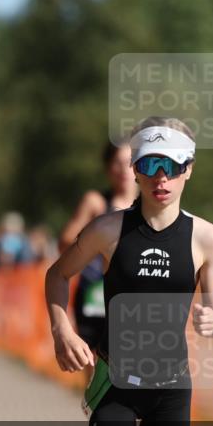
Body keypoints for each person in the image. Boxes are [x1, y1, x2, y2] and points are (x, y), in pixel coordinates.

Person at [45, 117, 213, 426]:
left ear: (189, 168)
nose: (161, 177)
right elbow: (57, 275)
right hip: (116, 384)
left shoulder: (207, 238)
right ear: (136, 170)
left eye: (172, 165)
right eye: (150, 165)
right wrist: (62, 328)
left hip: (171, 390)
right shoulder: (108, 229)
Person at [58, 142, 139, 367]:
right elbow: (64, 242)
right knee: (93, 367)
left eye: (129, 163)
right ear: (107, 168)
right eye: (117, 163)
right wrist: (97, 242)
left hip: (131, 299)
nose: (124, 170)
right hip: (95, 294)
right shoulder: (96, 202)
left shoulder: (151, 205)